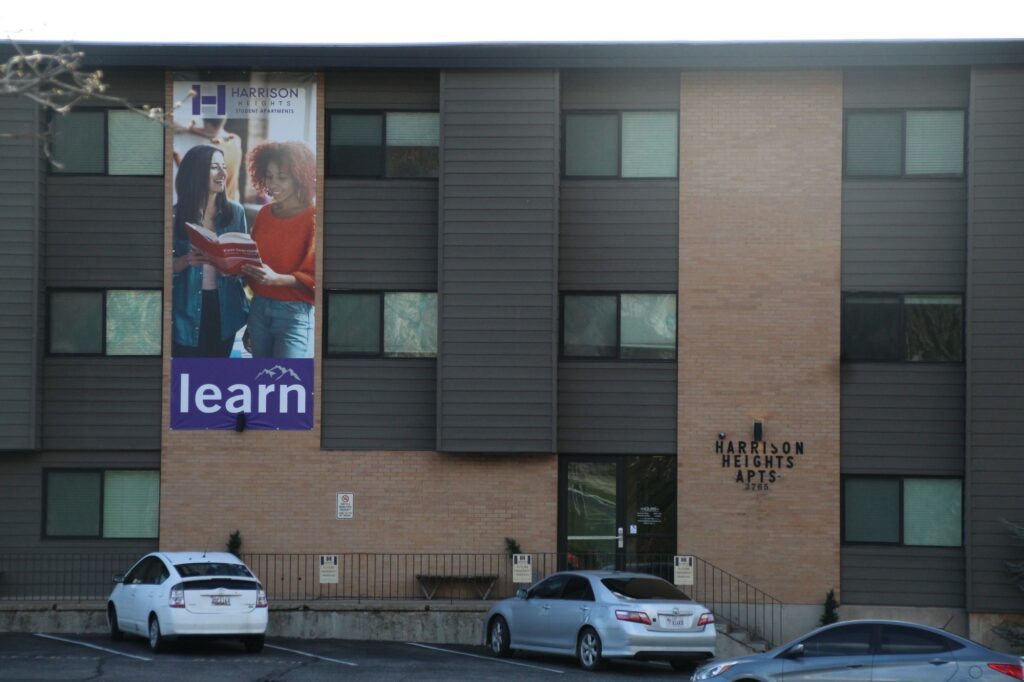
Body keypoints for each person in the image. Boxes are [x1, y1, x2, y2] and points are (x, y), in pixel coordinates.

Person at [171, 145, 250, 357]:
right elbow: (159, 270)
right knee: (187, 374)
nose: (223, 174)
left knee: (217, 375)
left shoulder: (236, 212)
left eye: (224, 167)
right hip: (184, 309)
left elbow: (244, 267)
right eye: (215, 167)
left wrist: (232, 269)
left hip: (225, 310)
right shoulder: (174, 215)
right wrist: (184, 261)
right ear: (196, 172)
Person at [241, 141, 316, 359]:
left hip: (293, 314)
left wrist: (278, 279)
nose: (273, 184)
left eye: (282, 177)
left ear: (299, 178)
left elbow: (318, 277)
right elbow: (253, 260)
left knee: (288, 382)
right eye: (269, 175)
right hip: (259, 309)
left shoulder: (314, 218)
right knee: (261, 383)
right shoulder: (264, 213)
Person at [173, 118, 244, 202]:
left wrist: (175, 154)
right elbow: (215, 138)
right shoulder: (235, 139)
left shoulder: (210, 153)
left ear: (207, 124)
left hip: (218, 206)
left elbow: (189, 174)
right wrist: (189, 130)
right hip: (233, 201)